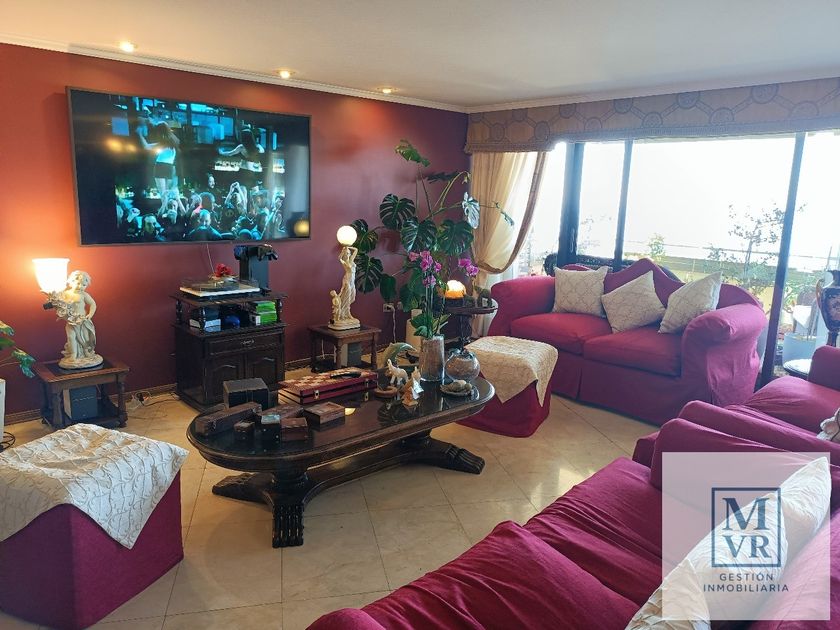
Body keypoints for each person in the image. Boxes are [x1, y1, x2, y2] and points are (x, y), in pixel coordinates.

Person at [49, 270, 102, 369]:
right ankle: (73, 354)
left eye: (84, 285)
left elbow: (93, 304)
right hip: (71, 321)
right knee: (71, 337)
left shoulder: (84, 295)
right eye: (78, 283)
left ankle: (86, 352)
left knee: (85, 338)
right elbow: (59, 304)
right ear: (71, 282)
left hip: (82, 321)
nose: (80, 287)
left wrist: (90, 314)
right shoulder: (65, 294)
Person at [136, 121, 180, 204]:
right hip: (169, 167)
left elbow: (146, 146)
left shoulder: (163, 144)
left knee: (163, 193)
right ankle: (170, 209)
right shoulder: (173, 142)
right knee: (168, 193)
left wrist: (140, 134)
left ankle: (164, 209)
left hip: (160, 166)